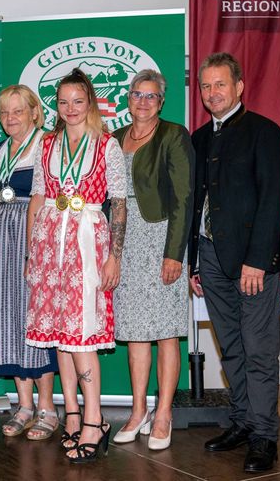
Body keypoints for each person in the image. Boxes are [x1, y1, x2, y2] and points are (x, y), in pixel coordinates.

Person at [188, 52, 280, 473]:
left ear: (239, 86)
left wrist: (257, 260)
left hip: (252, 263)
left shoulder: (264, 133)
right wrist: (194, 262)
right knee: (231, 347)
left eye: (220, 85)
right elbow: (195, 205)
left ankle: (265, 436)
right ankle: (244, 421)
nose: (212, 93)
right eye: (206, 86)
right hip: (210, 259)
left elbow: (274, 200)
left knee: (259, 351)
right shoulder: (198, 138)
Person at [25, 68, 127, 463]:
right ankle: (71, 414)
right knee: (58, 335)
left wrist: (114, 255)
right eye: (63, 102)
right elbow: (37, 197)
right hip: (51, 240)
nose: (70, 109)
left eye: (77, 101)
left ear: (91, 103)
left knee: (80, 332)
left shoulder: (107, 146)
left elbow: (118, 203)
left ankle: (95, 420)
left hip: (87, 240)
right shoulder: (47, 144)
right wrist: (32, 252)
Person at [111, 70, 194, 451]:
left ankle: (163, 413)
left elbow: (183, 198)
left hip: (161, 238)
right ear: (127, 99)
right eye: (136, 95)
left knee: (164, 331)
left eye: (150, 96)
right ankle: (138, 409)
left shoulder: (173, 135)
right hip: (123, 244)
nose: (142, 102)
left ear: (161, 101)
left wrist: (174, 254)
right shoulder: (112, 139)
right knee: (134, 331)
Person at [0, 85, 59, 440]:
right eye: (3, 112)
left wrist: (38, 248)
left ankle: (47, 406)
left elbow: (52, 198)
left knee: (35, 317)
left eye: (17, 111)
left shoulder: (49, 144)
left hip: (33, 237)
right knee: (7, 318)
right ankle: (23, 403)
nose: (10, 118)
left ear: (34, 112)